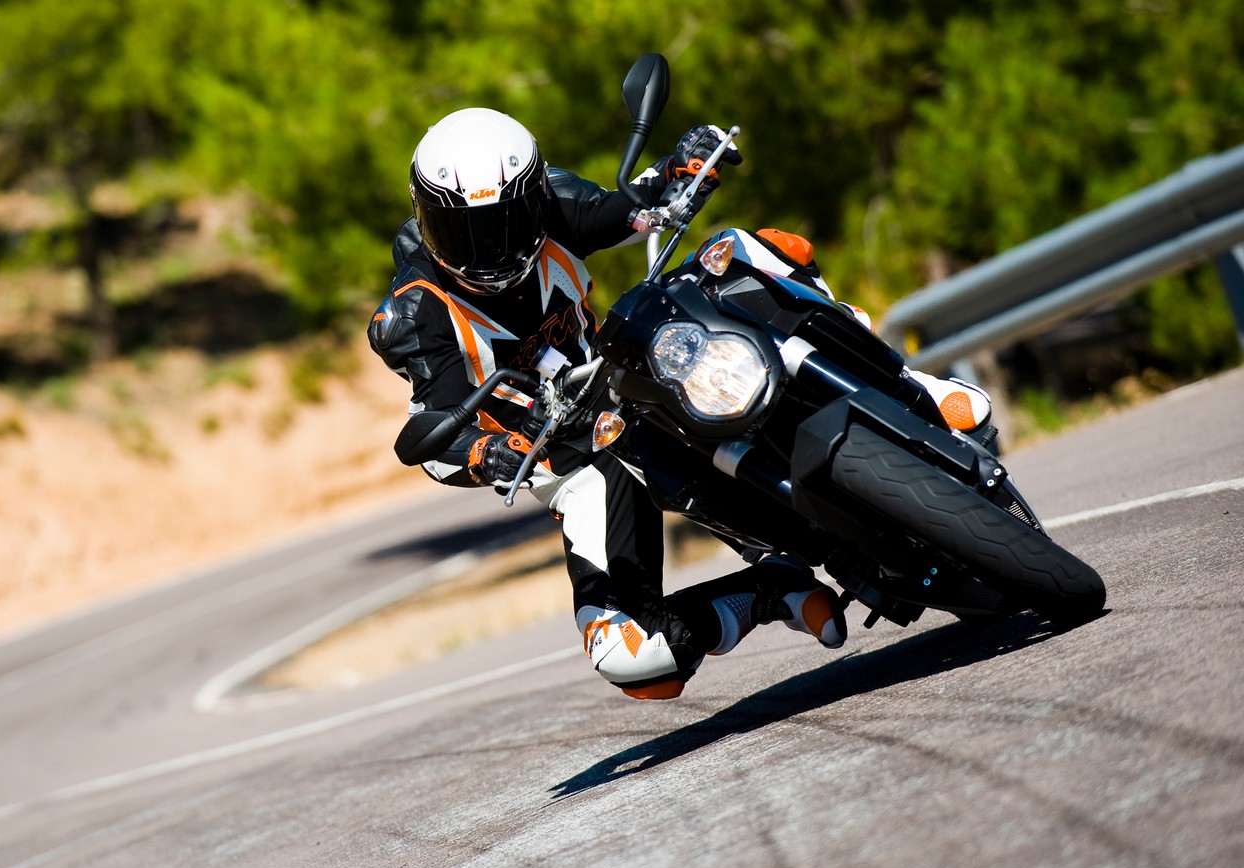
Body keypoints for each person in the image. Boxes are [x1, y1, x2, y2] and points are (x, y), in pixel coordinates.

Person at [368, 108, 994, 700]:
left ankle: (913, 390)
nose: (490, 248)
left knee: (749, 252)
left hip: (629, 370)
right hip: (564, 451)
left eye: (505, 222)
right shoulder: (413, 314)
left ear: (531, 196)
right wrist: (490, 451)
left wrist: (682, 167)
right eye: (463, 230)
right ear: (425, 215)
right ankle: (769, 590)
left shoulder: (550, 201)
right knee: (634, 659)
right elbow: (433, 429)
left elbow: (627, 208)